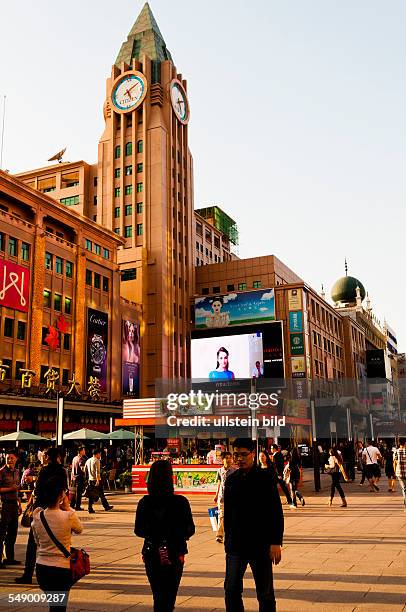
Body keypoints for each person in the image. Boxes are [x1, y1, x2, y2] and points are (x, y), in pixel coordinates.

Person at [224, 438, 283, 612]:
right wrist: (227, 539)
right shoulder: (231, 479)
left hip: (260, 544)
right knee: (231, 589)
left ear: (253, 454)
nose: (239, 458)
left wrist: (275, 542)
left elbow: (275, 511)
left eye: (243, 454)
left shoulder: (265, 478)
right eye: (236, 455)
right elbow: (228, 513)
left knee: (265, 593)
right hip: (235, 546)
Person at [134, 460, 195, 611]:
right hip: (175, 552)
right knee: (169, 596)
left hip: (152, 552)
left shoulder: (145, 502)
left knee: (158, 595)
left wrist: (155, 533)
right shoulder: (181, 502)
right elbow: (190, 529)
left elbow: (139, 530)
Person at [15, 447, 68, 585]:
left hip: (40, 511)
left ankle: (27, 574)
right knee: (57, 543)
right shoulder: (62, 471)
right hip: (57, 510)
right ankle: (59, 573)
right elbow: (64, 491)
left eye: (45, 456)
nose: (43, 457)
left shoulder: (44, 471)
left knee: (32, 544)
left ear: (49, 457)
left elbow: (37, 491)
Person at [32, 476, 83, 612]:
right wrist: (68, 508)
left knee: (53, 605)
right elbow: (79, 529)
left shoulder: (37, 516)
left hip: (42, 567)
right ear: (61, 495)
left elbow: (37, 541)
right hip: (61, 569)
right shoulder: (68, 516)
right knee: (59, 608)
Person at [0, 449, 22, 567]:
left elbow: (17, 489)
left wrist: (19, 503)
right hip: (4, 504)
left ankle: (10, 558)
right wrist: (11, 489)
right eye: (8, 458)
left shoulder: (18, 472)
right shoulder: (1, 472)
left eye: (12, 458)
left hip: (14, 504)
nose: (10, 460)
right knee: (2, 532)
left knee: (13, 532)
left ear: (16, 459)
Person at [214, 451, 237, 544]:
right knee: (221, 516)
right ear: (222, 460)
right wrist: (216, 495)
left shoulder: (235, 471)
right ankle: (219, 535)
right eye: (226, 458)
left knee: (231, 517)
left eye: (229, 458)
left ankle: (230, 535)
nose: (228, 460)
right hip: (222, 497)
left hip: (232, 498)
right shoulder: (219, 471)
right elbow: (219, 483)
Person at [85, 449, 113, 514]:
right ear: (97, 454)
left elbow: (85, 469)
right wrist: (98, 480)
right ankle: (106, 506)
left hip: (90, 479)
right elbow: (98, 472)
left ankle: (90, 508)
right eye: (99, 454)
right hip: (96, 480)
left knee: (91, 495)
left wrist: (88, 477)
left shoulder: (88, 460)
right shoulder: (97, 461)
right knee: (101, 494)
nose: (100, 455)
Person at [70, 447, 87, 511]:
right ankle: (77, 506)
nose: (84, 451)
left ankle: (72, 505)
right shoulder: (80, 459)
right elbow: (82, 468)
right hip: (79, 477)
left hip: (73, 477)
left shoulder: (74, 458)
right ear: (80, 451)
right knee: (79, 493)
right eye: (83, 450)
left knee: (74, 492)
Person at [393, 437, 406, 510]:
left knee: (404, 489)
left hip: (400, 473)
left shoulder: (396, 451)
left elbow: (394, 463)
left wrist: (395, 472)